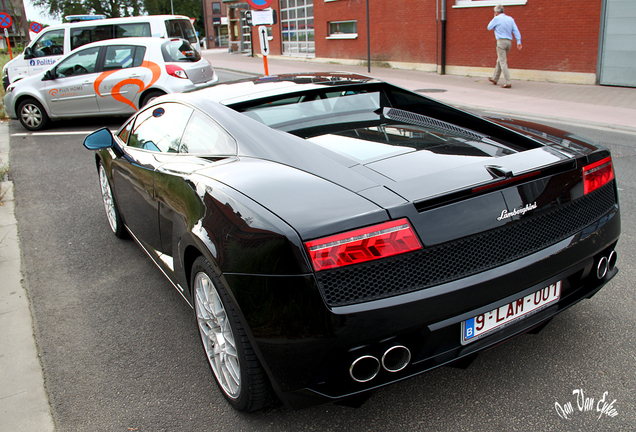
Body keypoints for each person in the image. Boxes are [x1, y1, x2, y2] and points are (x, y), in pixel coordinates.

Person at [487, 5, 522, 88]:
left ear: (496, 12)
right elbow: (516, 30)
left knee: (503, 62)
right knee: (500, 59)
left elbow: (489, 27)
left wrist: (494, 18)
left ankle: (508, 82)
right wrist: (518, 41)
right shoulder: (510, 19)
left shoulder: (496, 19)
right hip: (509, 42)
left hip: (501, 42)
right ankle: (495, 78)